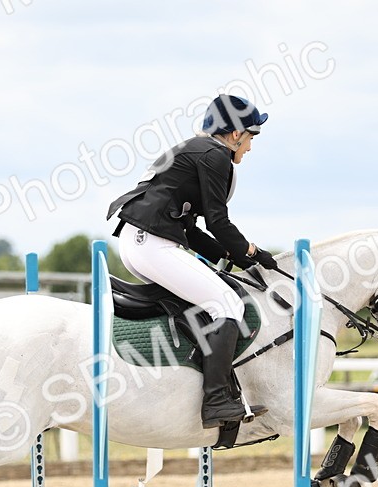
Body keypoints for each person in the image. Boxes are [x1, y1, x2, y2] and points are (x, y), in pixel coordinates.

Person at [107, 94, 278, 429]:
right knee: (227, 304)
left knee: (211, 300)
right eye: (250, 137)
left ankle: (196, 383)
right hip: (151, 243)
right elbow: (218, 222)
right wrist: (251, 253)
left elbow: (192, 229)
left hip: (142, 240)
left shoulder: (195, 150)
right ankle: (216, 401)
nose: (249, 147)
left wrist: (227, 255)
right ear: (235, 134)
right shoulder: (216, 156)